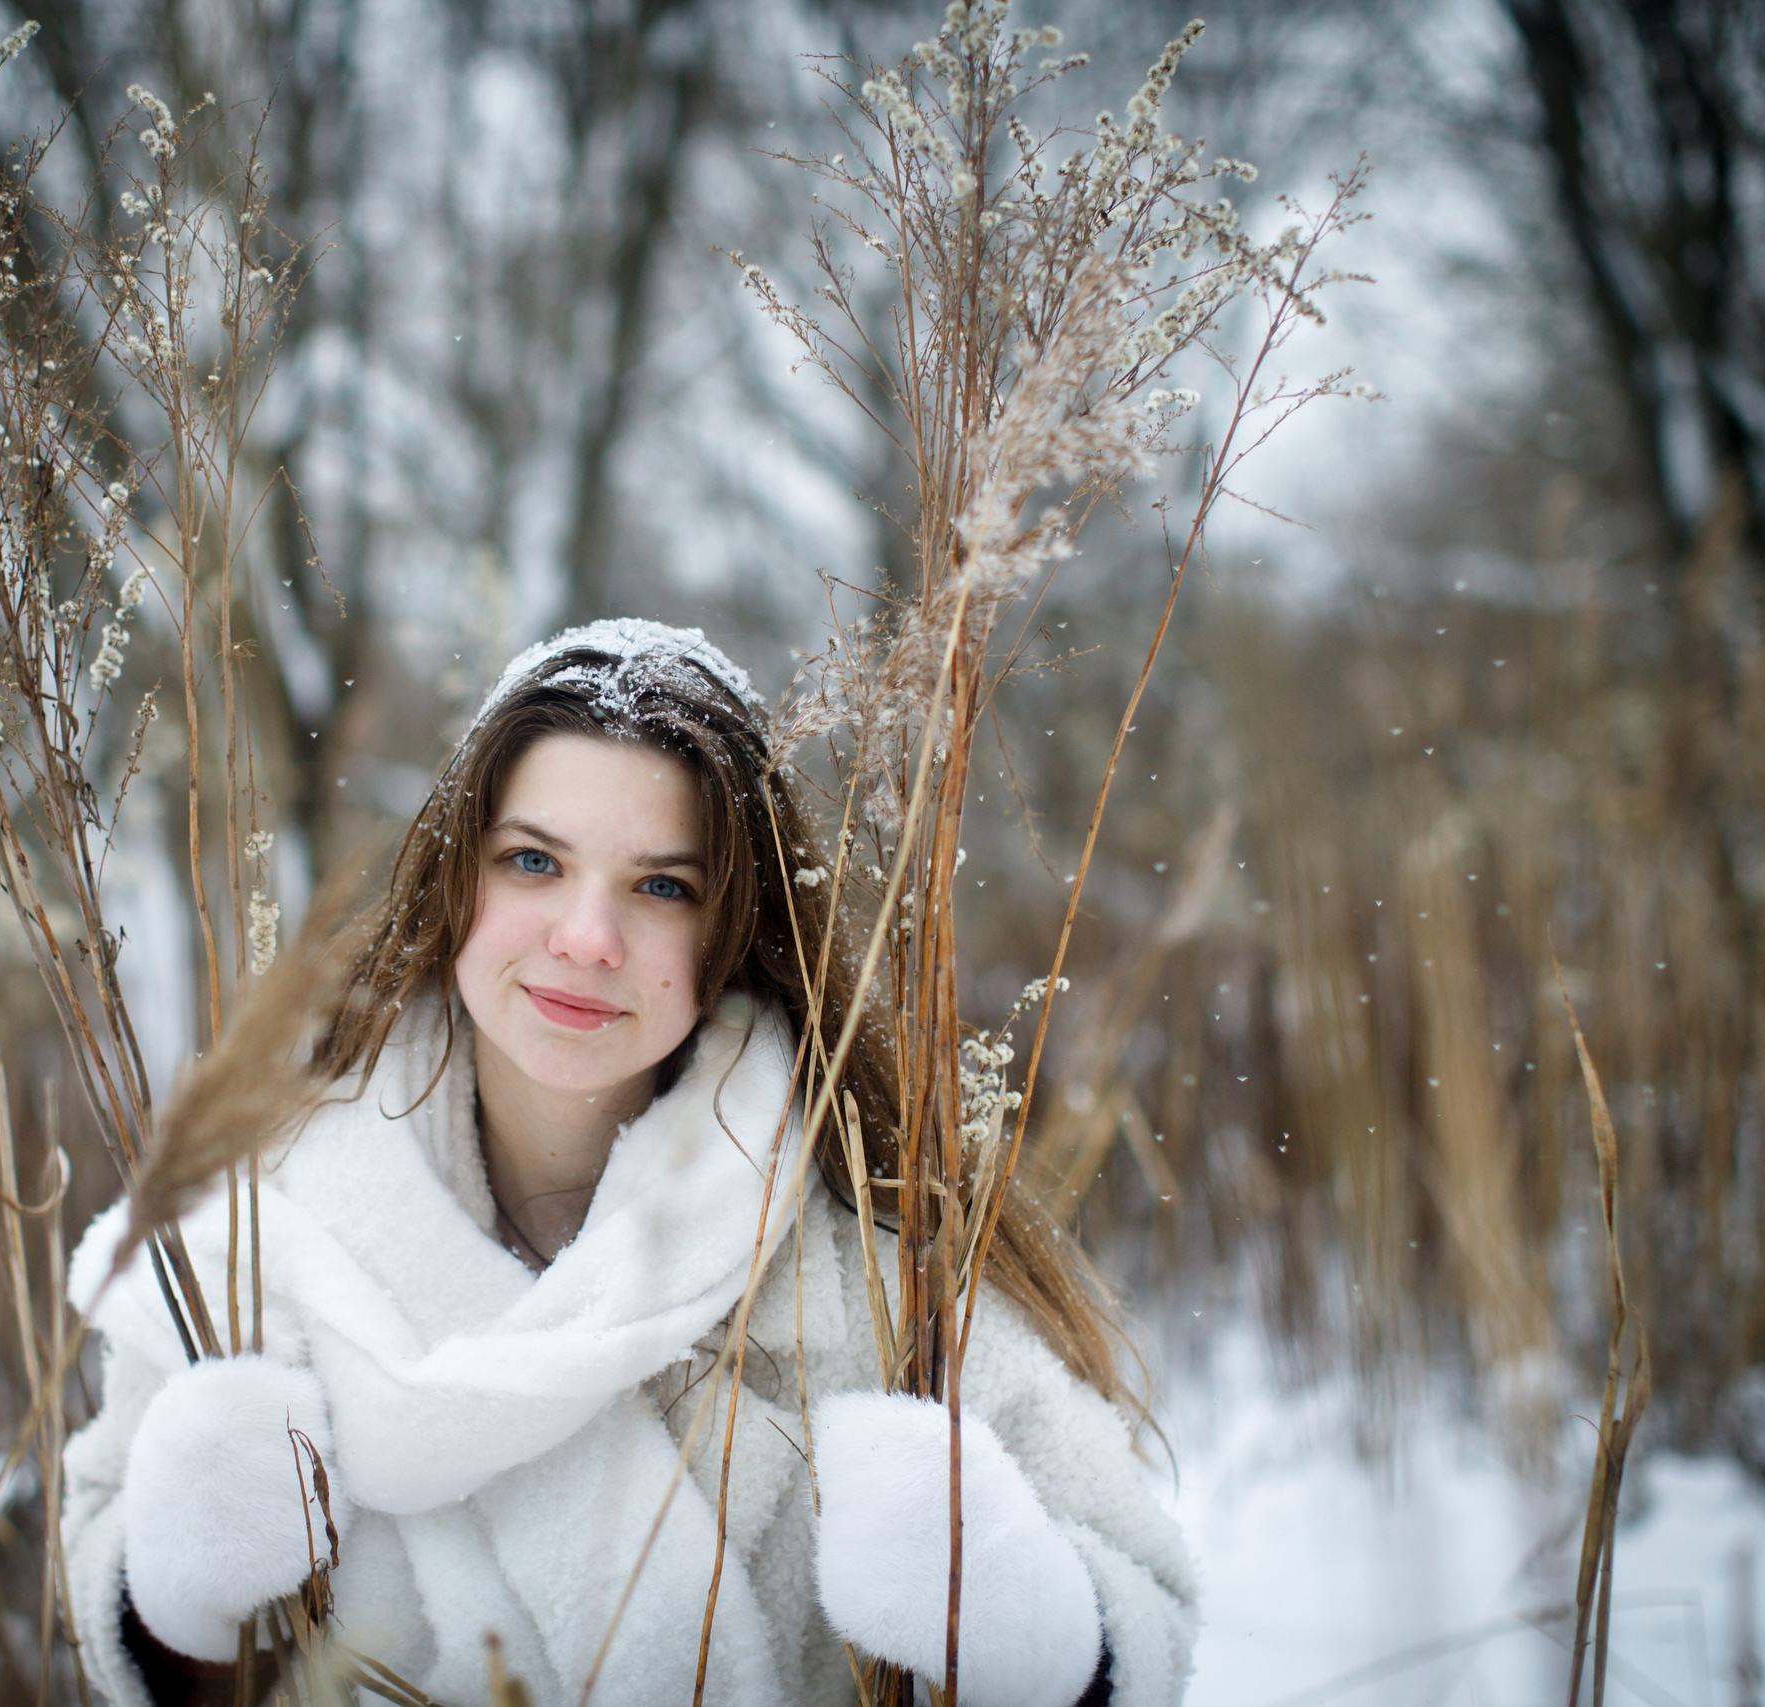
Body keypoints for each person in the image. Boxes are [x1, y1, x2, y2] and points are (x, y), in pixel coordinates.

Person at [61, 620, 1196, 1707]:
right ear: (458, 878)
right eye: (533, 861)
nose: (587, 939)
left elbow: (1150, 1620)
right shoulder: (267, 1235)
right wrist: (172, 1602)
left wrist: (1023, 1622)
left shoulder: (873, 1273)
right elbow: (114, 1601)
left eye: (663, 886)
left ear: (734, 928)